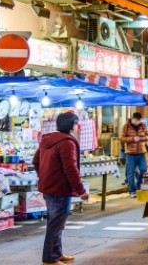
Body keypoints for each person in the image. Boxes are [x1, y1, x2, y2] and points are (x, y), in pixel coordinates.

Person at [32, 112, 88, 265]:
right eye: (76, 124)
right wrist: (81, 190)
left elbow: (35, 161)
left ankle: (56, 253)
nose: (77, 127)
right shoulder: (66, 142)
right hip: (60, 188)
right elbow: (70, 169)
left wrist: (45, 176)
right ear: (71, 125)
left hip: (48, 187)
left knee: (56, 222)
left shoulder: (47, 139)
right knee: (55, 224)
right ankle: (50, 259)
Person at [120, 112, 148, 198]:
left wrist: (142, 138)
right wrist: (133, 139)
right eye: (137, 120)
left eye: (140, 120)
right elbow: (121, 138)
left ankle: (138, 186)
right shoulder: (126, 126)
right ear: (133, 119)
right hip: (130, 154)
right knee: (131, 173)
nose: (138, 122)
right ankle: (132, 191)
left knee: (144, 170)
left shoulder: (143, 125)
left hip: (141, 153)